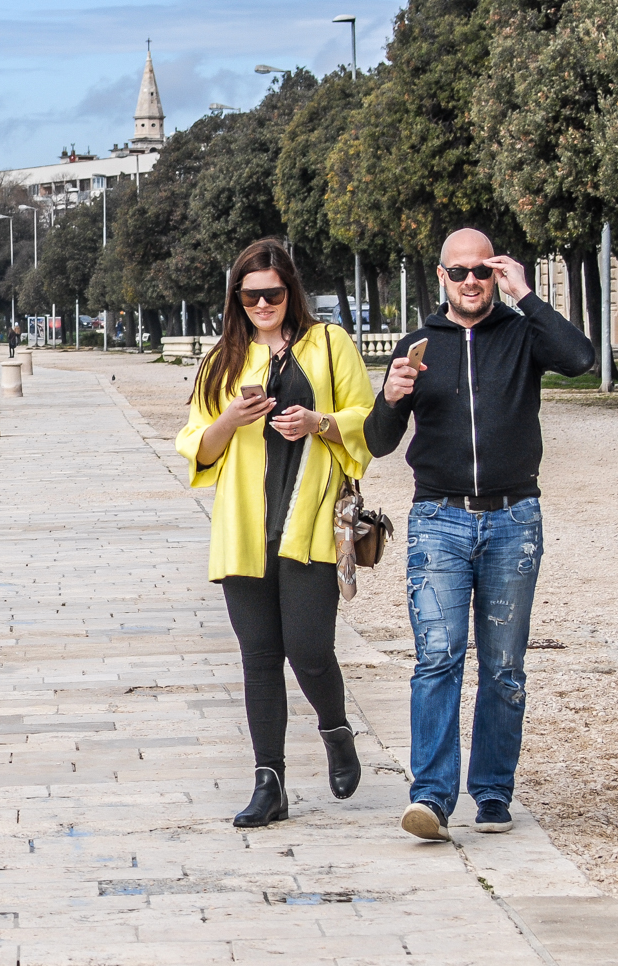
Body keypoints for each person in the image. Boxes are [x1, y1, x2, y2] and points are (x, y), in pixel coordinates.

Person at [365, 228, 594, 842]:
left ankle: (492, 791)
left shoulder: (522, 333)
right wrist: (390, 397)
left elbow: (581, 360)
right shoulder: (417, 346)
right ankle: (432, 797)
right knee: (437, 659)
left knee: (503, 666)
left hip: (513, 518)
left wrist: (528, 295)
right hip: (438, 518)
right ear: (441, 276)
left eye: (482, 271)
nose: (471, 281)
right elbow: (380, 441)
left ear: (496, 274)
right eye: (460, 271)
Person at [175, 238, 375, 828]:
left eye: (274, 293)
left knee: (309, 649)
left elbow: (367, 421)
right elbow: (197, 446)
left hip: (308, 520)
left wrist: (318, 422)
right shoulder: (222, 361)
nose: (263, 304)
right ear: (236, 298)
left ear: (291, 292)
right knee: (259, 658)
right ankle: (270, 782)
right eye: (251, 295)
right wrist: (229, 420)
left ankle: (336, 731)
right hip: (243, 528)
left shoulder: (329, 343)